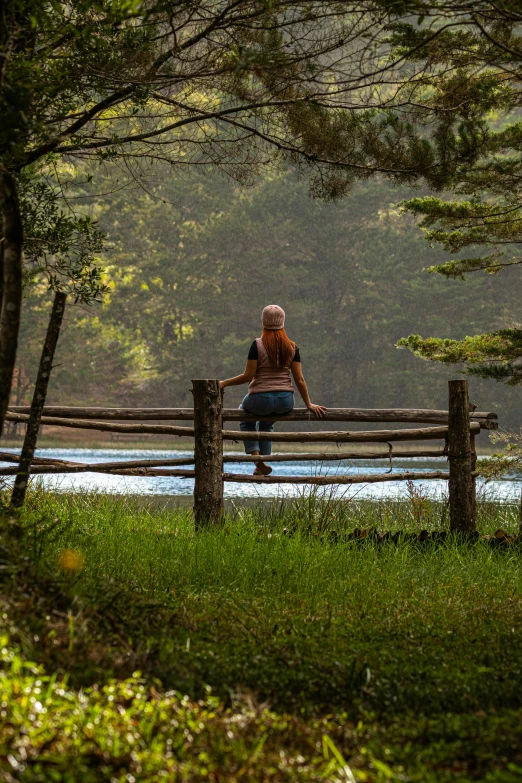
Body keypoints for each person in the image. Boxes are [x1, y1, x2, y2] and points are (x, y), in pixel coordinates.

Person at [219, 305, 326, 475]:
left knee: (245, 417)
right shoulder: (292, 346)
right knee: (266, 424)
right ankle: (262, 465)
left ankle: (257, 459)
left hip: (260, 399)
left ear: (263, 322)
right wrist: (309, 403)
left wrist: (224, 383)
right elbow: (299, 379)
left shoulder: (257, 345)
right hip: (285, 401)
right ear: (283, 322)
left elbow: (248, 376)